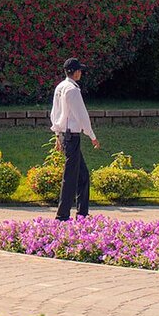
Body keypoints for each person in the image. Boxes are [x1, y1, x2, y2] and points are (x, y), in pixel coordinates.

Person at [50, 56, 100, 220]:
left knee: (82, 175)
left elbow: (54, 113)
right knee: (70, 177)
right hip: (72, 136)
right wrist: (91, 135)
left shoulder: (60, 87)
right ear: (76, 72)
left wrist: (57, 134)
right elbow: (81, 115)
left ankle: (82, 214)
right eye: (80, 71)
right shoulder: (72, 90)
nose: (81, 73)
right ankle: (62, 216)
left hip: (65, 135)